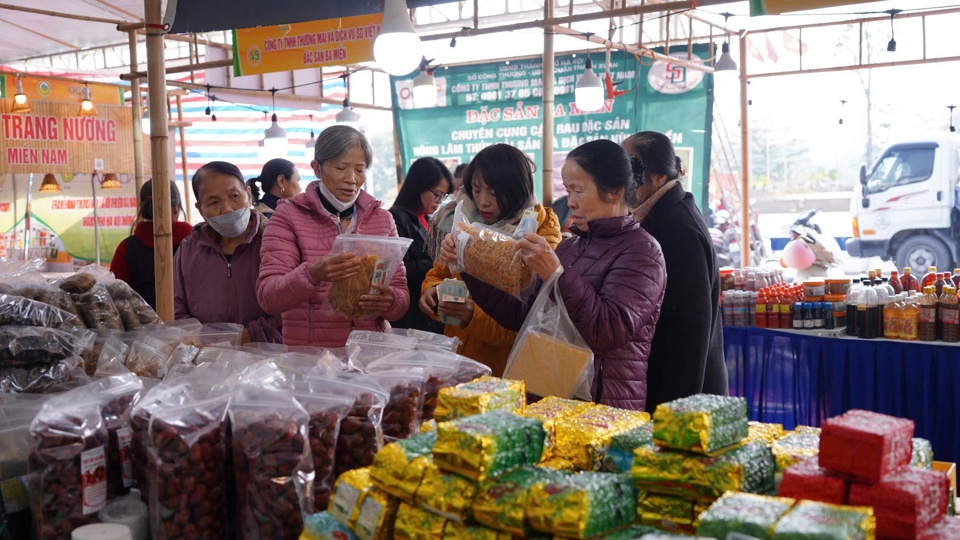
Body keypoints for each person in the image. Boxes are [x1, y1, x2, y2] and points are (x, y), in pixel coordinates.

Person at [446, 140, 666, 411]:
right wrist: (468, 265)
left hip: (605, 404)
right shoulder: (570, 246)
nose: (570, 202)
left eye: (578, 191)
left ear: (615, 192)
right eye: (568, 190)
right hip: (554, 397)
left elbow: (607, 330)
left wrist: (556, 274)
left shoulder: (643, 251)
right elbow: (524, 316)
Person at [256, 125, 410, 347]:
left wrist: (391, 300)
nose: (352, 179)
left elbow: (401, 296)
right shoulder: (288, 216)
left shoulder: (382, 219)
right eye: (341, 168)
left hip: (371, 352)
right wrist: (313, 274)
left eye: (360, 169)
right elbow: (268, 297)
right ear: (317, 168)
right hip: (312, 359)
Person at [421, 144, 561, 376]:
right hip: (459, 362)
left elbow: (533, 318)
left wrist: (471, 316)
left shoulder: (540, 233)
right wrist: (432, 291)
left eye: (495, 193)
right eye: (476, 190)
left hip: (508, 373)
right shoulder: (462, 223)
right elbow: (440, 273)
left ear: (519, 189)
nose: (484, 202)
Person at [622, 131, 727, 412]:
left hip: (683, 394)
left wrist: (676, 409)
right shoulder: (658, 215)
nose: (624, 181)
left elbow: (691, 325)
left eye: (633, 170)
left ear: (658, 177)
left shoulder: (676, 225)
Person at [174, 161, 282, 343]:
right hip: (206, 360)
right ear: (200, 210)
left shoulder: (275, 240)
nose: (227, 208)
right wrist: (204, 340)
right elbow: (175, 307)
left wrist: (250, 335)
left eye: (234, 196)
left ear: (248, 195)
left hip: (267, 359)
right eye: (214, 202)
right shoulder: (189, 249)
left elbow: (293, 304)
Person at [389, 157, 454, 334]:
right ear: (418, 187)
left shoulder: (427, 220)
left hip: (428, 311)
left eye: (444, 196)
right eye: (437, 194)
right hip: (409, 314)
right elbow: (400, 269)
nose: (440, 201)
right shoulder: (394, 219)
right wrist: (438, 261)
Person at [110, 179, 193, 309]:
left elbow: (115, 297)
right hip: (193, 326)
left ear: (141, 207)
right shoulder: (197, 243)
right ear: (176, 209)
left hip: (141, 326)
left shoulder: (126, 248)